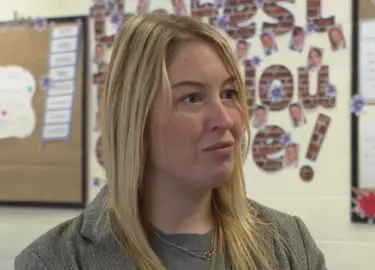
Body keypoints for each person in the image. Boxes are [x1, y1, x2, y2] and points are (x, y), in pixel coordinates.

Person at [15, 14, 326, 270]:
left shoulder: (289, 245)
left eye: (229, 93)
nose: (225, 119)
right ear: (135, 119)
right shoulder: (54, 261)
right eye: (192, 98)